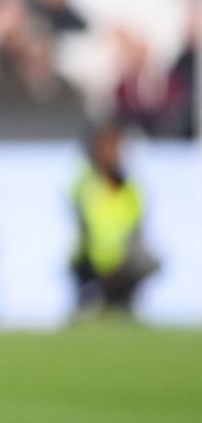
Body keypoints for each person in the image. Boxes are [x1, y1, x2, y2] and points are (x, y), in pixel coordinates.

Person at [69, 123, 161, 316]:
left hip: (123, 261)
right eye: (108, 147)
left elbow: (137, 230)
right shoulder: (86, 183)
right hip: (93, 262)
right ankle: (97, 299)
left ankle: (121, 300)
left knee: (148, 261)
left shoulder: (130, 188)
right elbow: (89, 231)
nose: (113, 153)